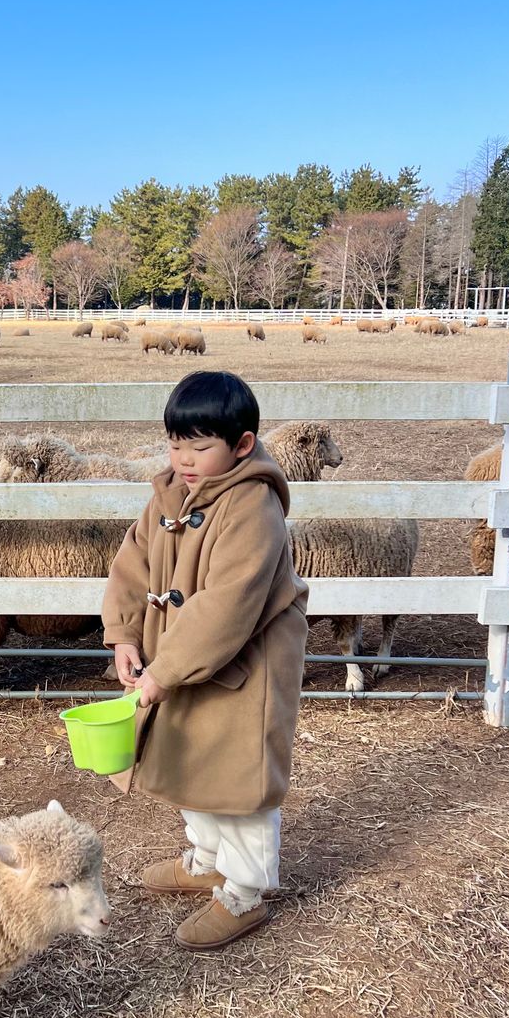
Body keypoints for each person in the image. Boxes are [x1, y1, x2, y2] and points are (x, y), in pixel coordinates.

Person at [102, 370, 308, 951]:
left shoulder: (252, 505)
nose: (184, 460)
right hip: (184, 656)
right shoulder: (170, 496)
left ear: (242, 446)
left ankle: (244, 892)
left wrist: (165, 670)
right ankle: (208, 858)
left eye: (200, 446)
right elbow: (133, 563)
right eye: (175, 444)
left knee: (237, 777)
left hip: (245, 666)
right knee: (193, 758)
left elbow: (226, 605)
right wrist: (124, 634)